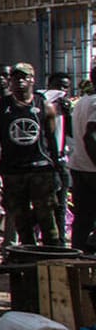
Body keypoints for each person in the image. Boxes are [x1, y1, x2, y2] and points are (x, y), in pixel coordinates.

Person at [0, 62, 65, 250]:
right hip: (13, 171)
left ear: (32, 79)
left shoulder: (44, 106)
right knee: (20, 221)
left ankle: (51, 258)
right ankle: (27, 264)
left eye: (24, 77)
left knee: (47, 218)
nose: (19, 81)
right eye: (15, 78)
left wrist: (57, 169)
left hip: (41, 170)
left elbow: (52, 141)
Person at [71, 64, 96, 252]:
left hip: (79, 166)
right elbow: (90, 135)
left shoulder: (82, 102)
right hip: (92, 168)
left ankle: (78, 258)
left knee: (82, 219)